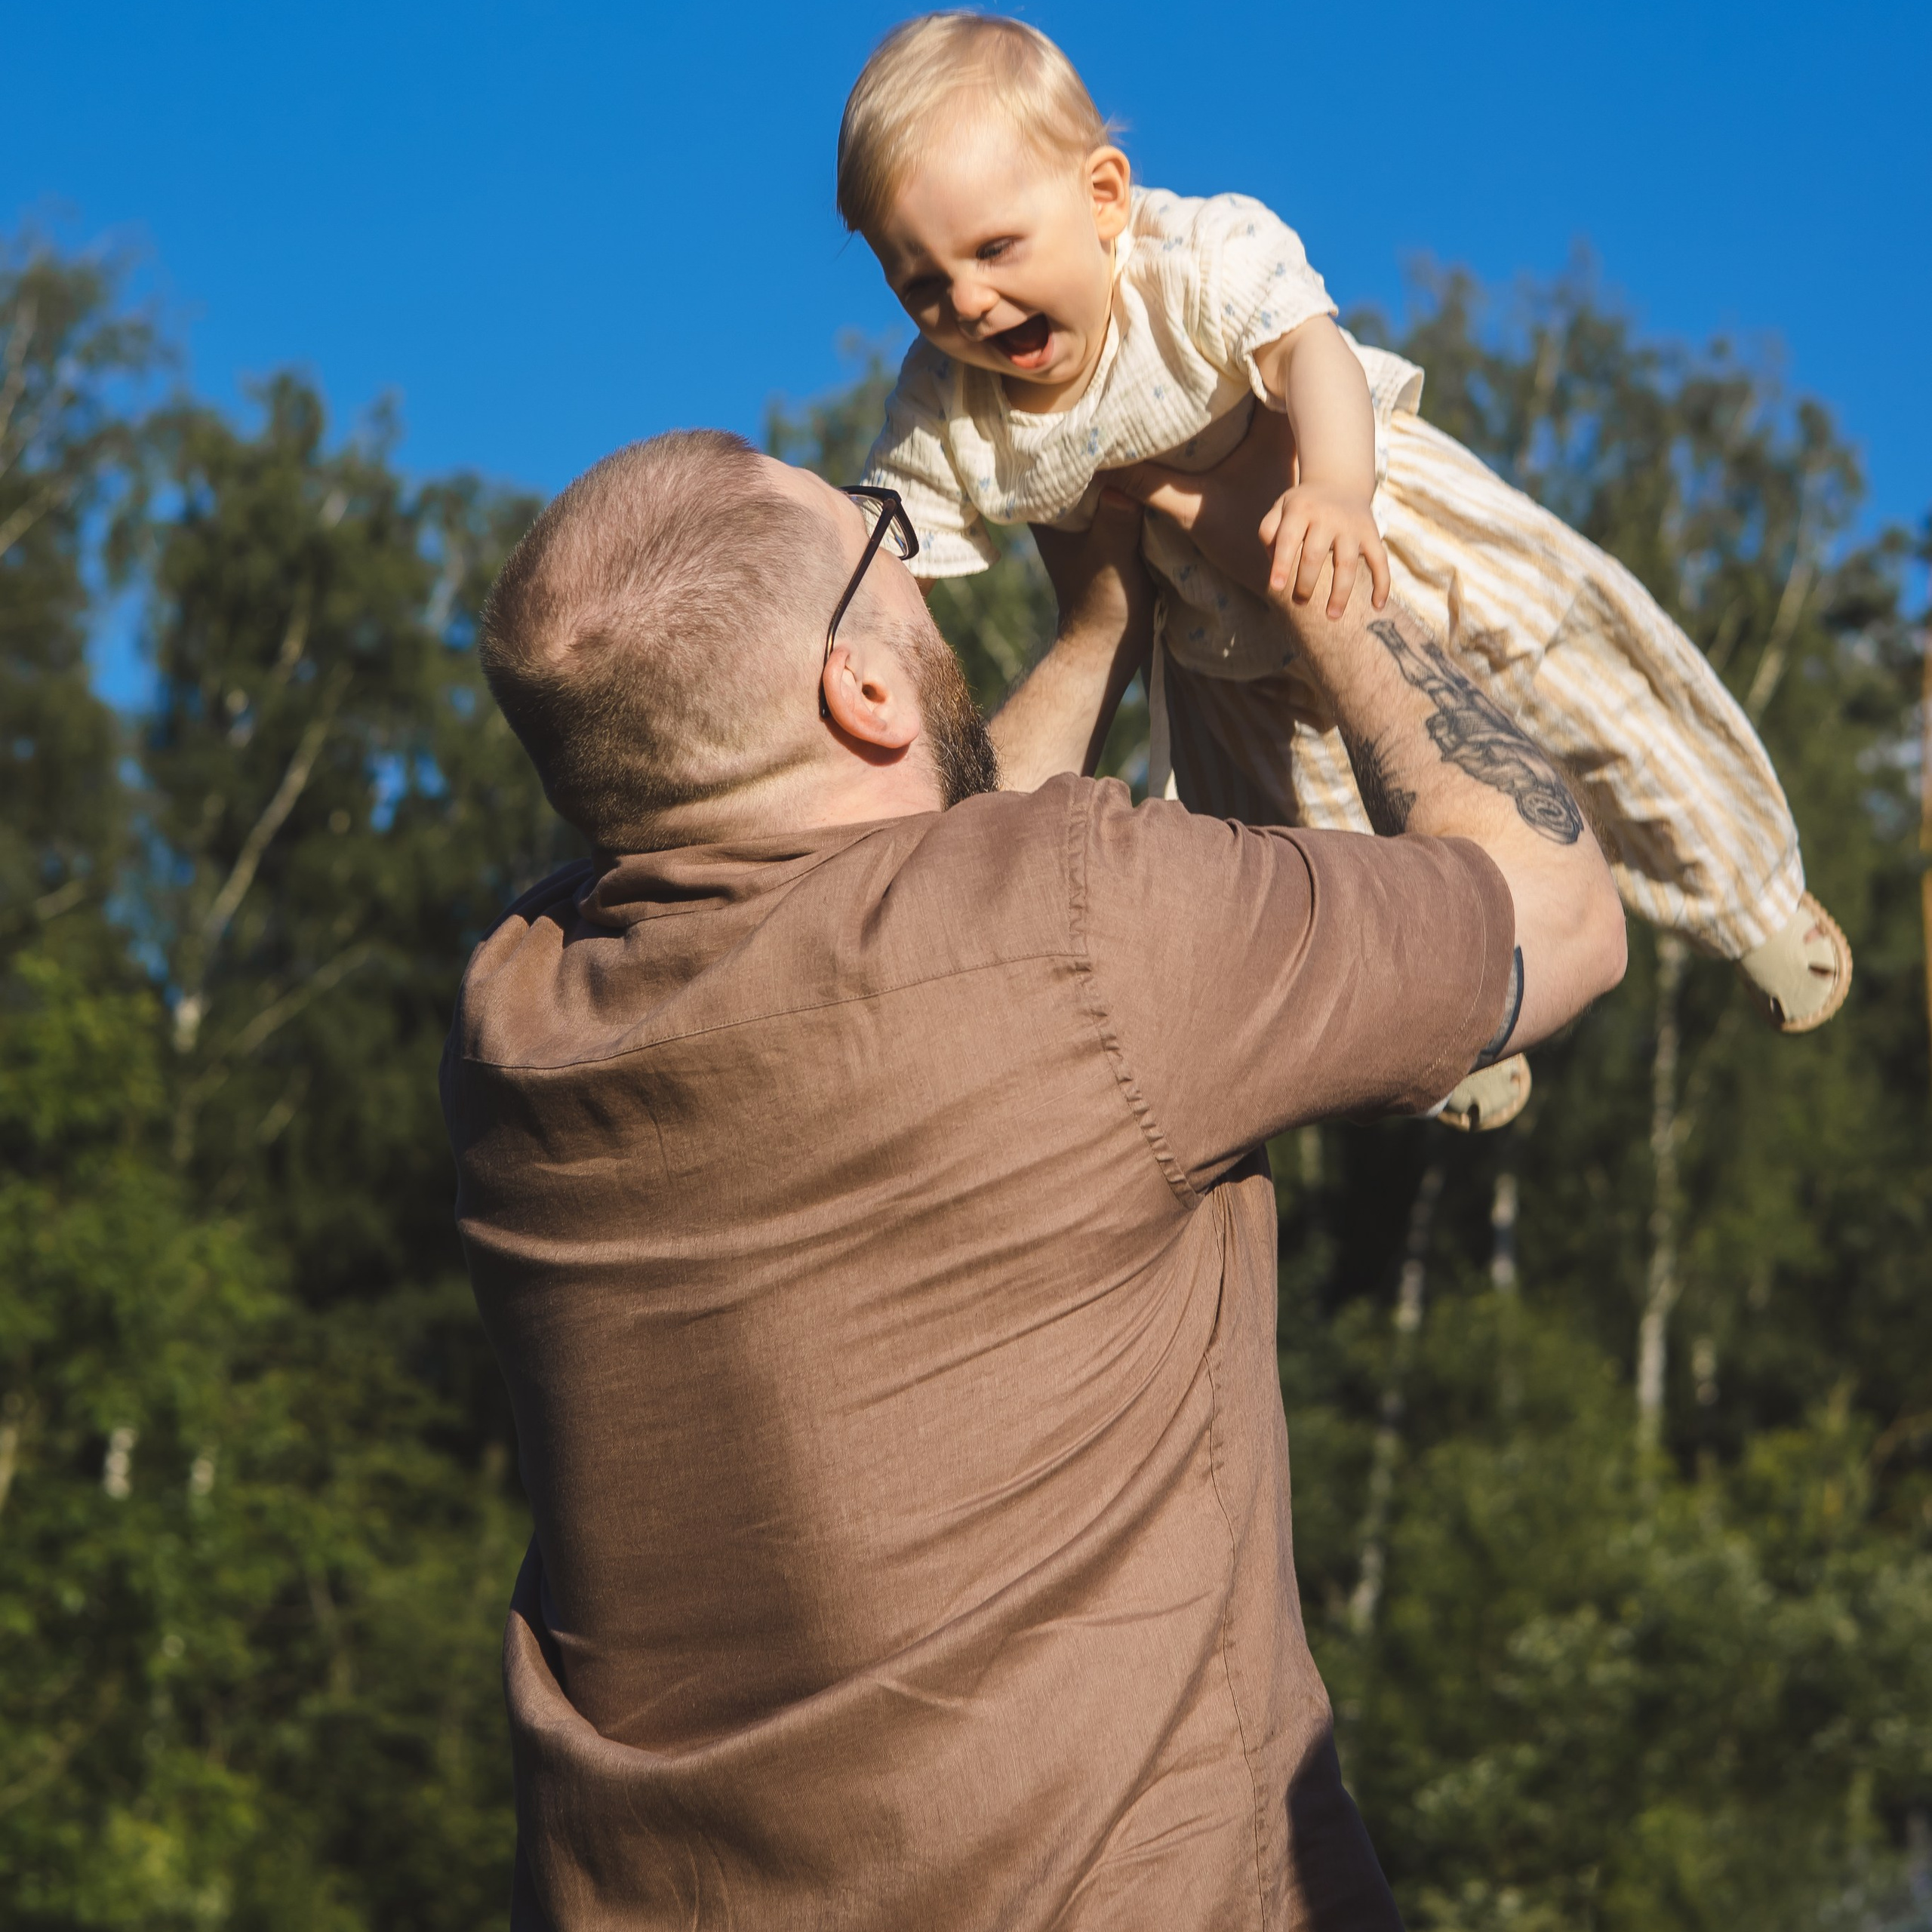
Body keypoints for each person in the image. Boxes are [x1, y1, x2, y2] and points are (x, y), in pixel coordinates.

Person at [441, 418, 1624, 1929]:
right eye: (883, 537)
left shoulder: (511, 1029)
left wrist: (1101, 624)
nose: (922, 568)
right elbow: (1561, 919)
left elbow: (905, 888)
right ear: (857, 684)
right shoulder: (1089, 925)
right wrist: (1318, 564)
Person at [838, 11, 1848, 1131]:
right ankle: (1448, 1022)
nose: (966, 304)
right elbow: (896, 543)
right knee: (1313, 841)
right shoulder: (945, 398)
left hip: (1379, 527)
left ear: (1104, 196)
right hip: (1219, 647)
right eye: (921, 285)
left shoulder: (1192, 264)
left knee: (1583, 689)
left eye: (993, 251)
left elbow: (1311, 349)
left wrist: (1334, 489)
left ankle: (1745, 888)